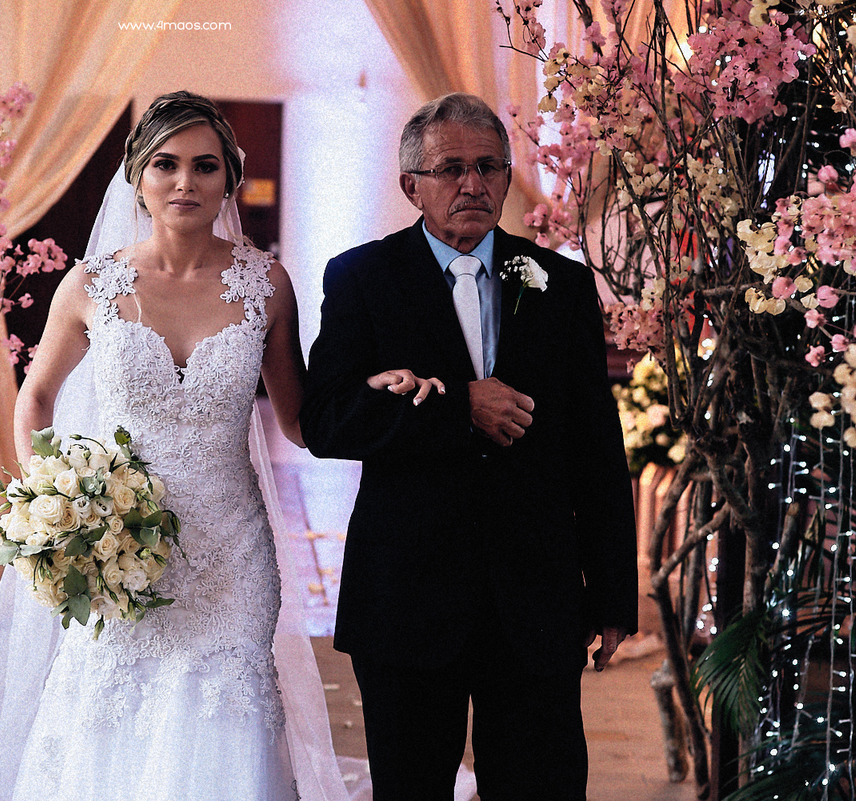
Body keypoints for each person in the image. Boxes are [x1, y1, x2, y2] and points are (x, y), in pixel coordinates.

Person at [0, 91, 352, 801]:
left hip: (233, 556)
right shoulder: (92, 286)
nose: (185, 182)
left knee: (226, 723)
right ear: (137, 176)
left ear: (229, 177)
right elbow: (35, 395)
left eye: (204, 165)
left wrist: (379, 384)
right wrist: (55, 500)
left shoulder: (267, 286)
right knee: (112, 721)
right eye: (165, 164)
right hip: (117, 549)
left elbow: (300, 419)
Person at [299, 92, 639, 801]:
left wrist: (612, 594)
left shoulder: (558, 283)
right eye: (451, 168)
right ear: (411, 185)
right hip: (406, 598)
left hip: (535, 597)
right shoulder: (362, 278)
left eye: (488, 167)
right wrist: (459, 406)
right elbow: (328, 420)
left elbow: (596, 449)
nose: (472, 184)